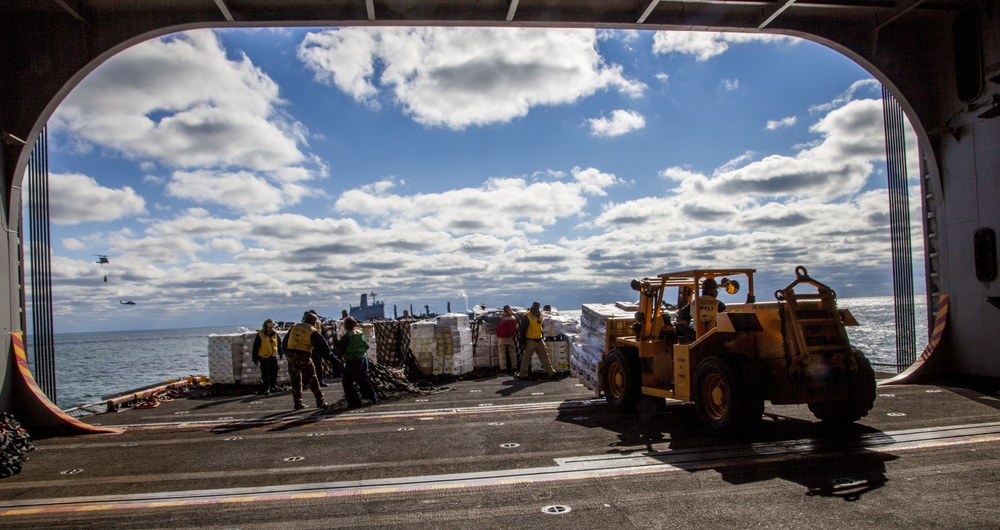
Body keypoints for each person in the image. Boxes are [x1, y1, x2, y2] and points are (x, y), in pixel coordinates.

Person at [280, 312, 330, 410]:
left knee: (295, 380)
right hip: (303, 356)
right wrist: (333, 360)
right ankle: (320, 401)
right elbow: (324, 347)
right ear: (313, 322)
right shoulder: (312, 331)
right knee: (312, 379)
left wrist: (286, 353)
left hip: (291, 355)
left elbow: (285, 341)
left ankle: (298, 402)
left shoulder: (294, 327)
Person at [337, 317, 378, 408]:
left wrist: (338, 359)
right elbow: (366, 346)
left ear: (346, 326)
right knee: (363, 379)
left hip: (353, 361)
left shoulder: (346, 337)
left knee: (347, 382)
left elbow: (340, 351)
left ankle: (354, 402)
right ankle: (372, 397)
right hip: (363, 359)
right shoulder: (360, 333)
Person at [517, 301, 555, 380]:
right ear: (532, 307)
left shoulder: (540, 315)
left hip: (539, 339)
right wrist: (523, 343)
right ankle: (523, 374)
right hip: (531, 340)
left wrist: (542, 337)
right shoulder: (527, 316)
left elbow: (541, 327)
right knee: (526, 357)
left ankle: (551, 372)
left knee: (544, 356)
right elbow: (522, 330)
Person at [251, 319, 283, 395]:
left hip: (273, 356)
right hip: (264, 357)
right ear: (265, 326)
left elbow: (278, 343)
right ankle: (266, 388)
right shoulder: (260, 334)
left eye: (272, 327)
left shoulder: (275, 334)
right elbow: (256, 346)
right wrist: (255, 357)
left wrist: (280, 352)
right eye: (269, 327)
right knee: (265, 373)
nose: (270, 329)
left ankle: (273, 386)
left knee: (274, 371)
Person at [308, 310, 328, 387]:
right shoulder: (304, 325)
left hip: (316, 348)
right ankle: (309, 382)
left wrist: (324, 348)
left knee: (318, 365)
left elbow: (324, 337)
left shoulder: (319, 325)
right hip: (308, 348)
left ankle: (319, 380)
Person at [495, 305, 518, 373]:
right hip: (510, 337)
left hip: (501, 338)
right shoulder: (513, 318)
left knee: (502, 353)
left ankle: (503, 367)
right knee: (512, 352)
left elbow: (496, 324)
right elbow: (516, 327)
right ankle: (514, 366)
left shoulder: (501, 318)